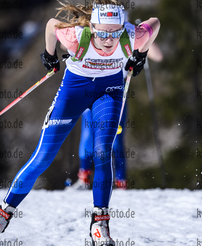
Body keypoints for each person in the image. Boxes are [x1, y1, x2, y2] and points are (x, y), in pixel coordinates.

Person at [0, 0, 160, 246]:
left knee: (103, 151)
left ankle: (100, 223)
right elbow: (51, 25)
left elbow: (155, 23)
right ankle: (0, 218)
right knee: (43, 157)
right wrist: (49, 55)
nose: (109, 40)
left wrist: (142, 52)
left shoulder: (130, 35)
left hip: (110, 92)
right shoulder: (76, 37)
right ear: (93, 29)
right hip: (74, 92)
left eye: (114, 33)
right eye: (103, 33)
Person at [69, 42, 163, 190]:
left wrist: (146, 39)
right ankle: (84, 179)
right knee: (88, 135)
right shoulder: (92, 32)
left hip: (115, 91)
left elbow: (158, 56)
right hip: (91, 89)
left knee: (116, 138)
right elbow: (66, 44)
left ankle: (121, 182)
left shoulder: (128, 34)